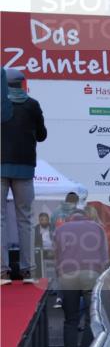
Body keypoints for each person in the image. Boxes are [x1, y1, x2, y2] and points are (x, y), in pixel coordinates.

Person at [1, 68, 46, 284]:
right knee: (26, 219)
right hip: (25, 168)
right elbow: (42, 135)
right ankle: (28, 270)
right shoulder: (32, 105)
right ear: (22, 84)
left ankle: (2, 272)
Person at [54, 209, 108, 347]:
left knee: (70, 320)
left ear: (70, 218)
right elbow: (104, 255)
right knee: (91, 320)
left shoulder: (60, 229)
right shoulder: (97, 227)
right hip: (91, 273)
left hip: (67, 274)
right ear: (86, 217)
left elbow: (56, 255)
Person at [34, 212, 54, 280]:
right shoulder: (36, 228)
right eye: (42, 220)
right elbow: (34, 242)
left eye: (46, 219)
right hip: (41, 249)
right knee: (37, 254)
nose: (44, 221)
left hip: (52, 249)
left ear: (48, 220)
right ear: (39, 220)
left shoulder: (53, 227)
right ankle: (39, 276)